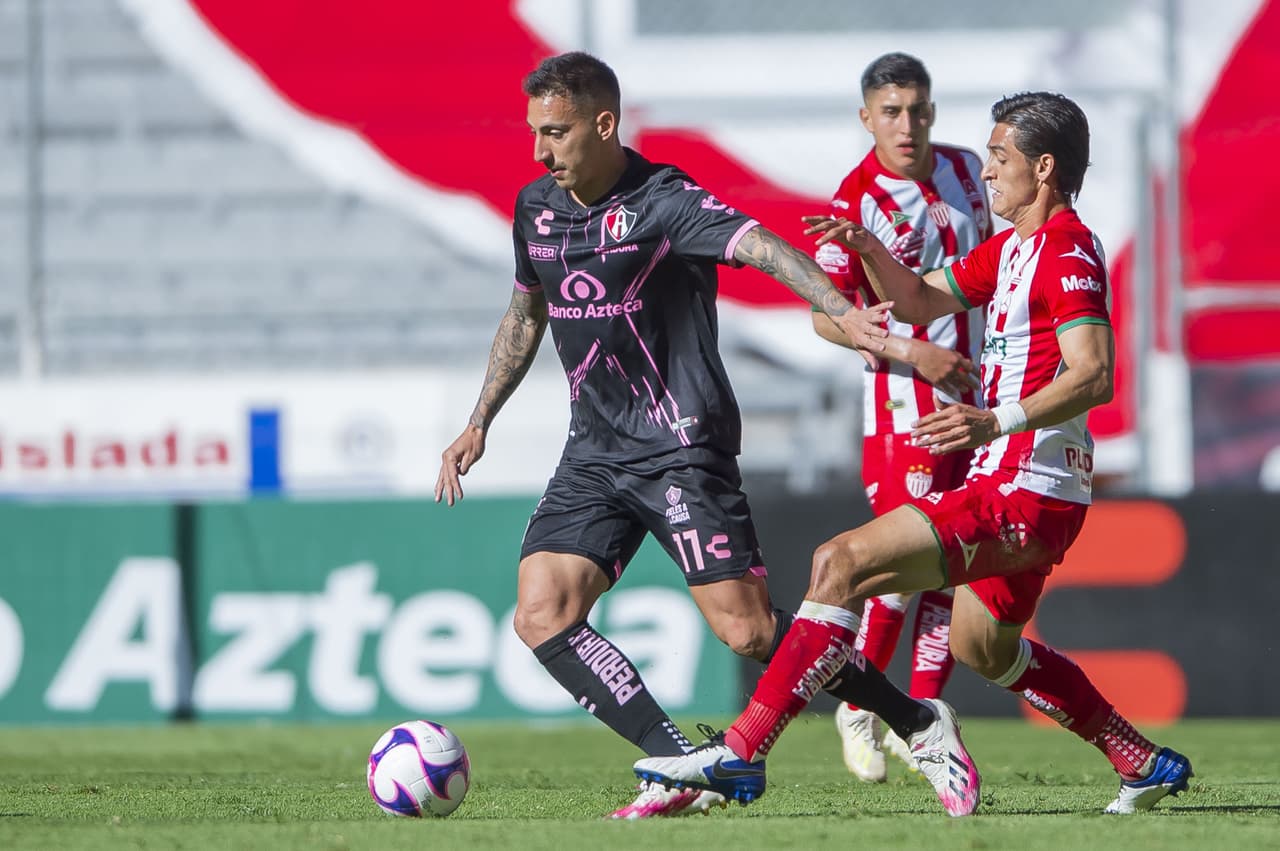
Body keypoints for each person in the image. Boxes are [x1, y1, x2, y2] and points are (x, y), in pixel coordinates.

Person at [434, 51, 979, 820]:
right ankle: (683, 762)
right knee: (541, 611)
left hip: (682, 448)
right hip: (593, 450)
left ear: (604, 123)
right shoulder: (535, 209)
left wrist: (841, 307)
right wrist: (478, 419)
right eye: (535, 133)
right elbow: (526, 313)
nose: (540, 152)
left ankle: (918, 719)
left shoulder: (664, 201)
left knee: (750, 631)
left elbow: (763, 247)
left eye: (555, 133)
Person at [634, 91, 1193, 816]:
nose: (989, 173)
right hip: (1029, 485)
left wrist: (997, 420)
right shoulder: (1014, 247)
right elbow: (923, 301)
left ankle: (740, 754)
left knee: (840, 563)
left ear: (1044, 168)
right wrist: (868, 250)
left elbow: (1094, 373)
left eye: (1000, 158)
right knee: (983, 648)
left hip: (1025, 482)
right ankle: (1140, 758)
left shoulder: (1067, 249)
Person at [810, 52, 990, 784]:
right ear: (867, 118)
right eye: (891, 111)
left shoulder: (971, 169)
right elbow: (824, 318)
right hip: (901, 413)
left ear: (933, 112)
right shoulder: (852, 202)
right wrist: (910, 349)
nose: (907, 124)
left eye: (917, 109)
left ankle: (922, 717)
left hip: (977, 405)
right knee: (896, 569)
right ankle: (858, 705)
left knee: (958, 565)